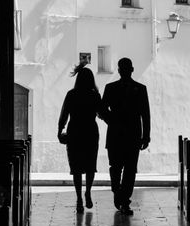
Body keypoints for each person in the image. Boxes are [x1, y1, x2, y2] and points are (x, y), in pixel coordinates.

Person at [101, 57, 150, 215]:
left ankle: (122, 198)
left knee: (125, 169)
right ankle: (120, 196)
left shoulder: (114, 88)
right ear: (130, 69)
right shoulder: (137, 89)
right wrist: (145, 135)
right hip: (126, 135)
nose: (125, 71)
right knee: (121, 169)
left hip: (123, 136)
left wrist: (112, 121)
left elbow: (145, 115)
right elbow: (145, 115)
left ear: (121, 70)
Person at [58, 63, 106, 213]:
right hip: (90, 132)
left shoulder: (71, 94)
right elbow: (102, 114)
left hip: (75, 132)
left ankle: (79, 198)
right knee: (91, 165)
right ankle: (88, 192)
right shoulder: (94, 95)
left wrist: (60, 131)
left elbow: (64, 114)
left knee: (76, 168)